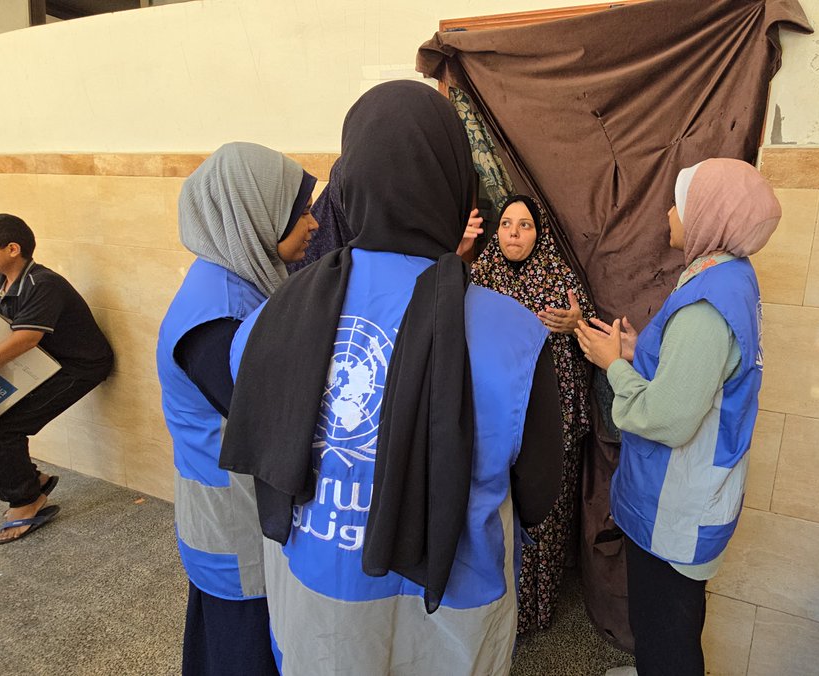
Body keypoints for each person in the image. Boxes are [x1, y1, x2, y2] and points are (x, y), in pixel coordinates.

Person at [219, 80, 563, 675]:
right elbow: (539, 492)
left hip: (317, 616)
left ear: (349, 185)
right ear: (455, 185)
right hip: (451, 623)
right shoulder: (516, 335)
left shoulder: (267, 321)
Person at [575, 158, 780, 675]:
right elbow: (700, 372)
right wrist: (640, 350)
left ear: (709, 215)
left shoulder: (707, 305)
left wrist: (613, 365)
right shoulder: (729, 276)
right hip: (692, 492)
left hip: (677, 503)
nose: (669, 212)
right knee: (669, 622)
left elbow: (667, 417)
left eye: (680, 202)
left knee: (667, 633)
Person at [157, 141, 317, 676]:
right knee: (242, 647)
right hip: (232, 519)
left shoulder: (240, 278)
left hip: (241, 508)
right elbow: (273, 418)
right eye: (300, 213)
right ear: (255, 215)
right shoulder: (216, 320)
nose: (313, 224)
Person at [0, 214, 114, 544]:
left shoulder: (43, 284)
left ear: (12, 249)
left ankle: (27, 501)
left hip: (77, 366)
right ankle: (33, 481)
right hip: (40, 365)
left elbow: (25, 339)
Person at [471, 194, 594, 632]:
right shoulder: (480, 274)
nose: (514, 233)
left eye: (525, 225)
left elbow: (592, 337)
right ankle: (497, 612)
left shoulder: (559, 277)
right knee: (500, 510)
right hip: (497, 416)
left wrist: (577, 324)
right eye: (507, 224)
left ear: (538, 233)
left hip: (549, 417)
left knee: (546, 512)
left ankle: (535, 610)